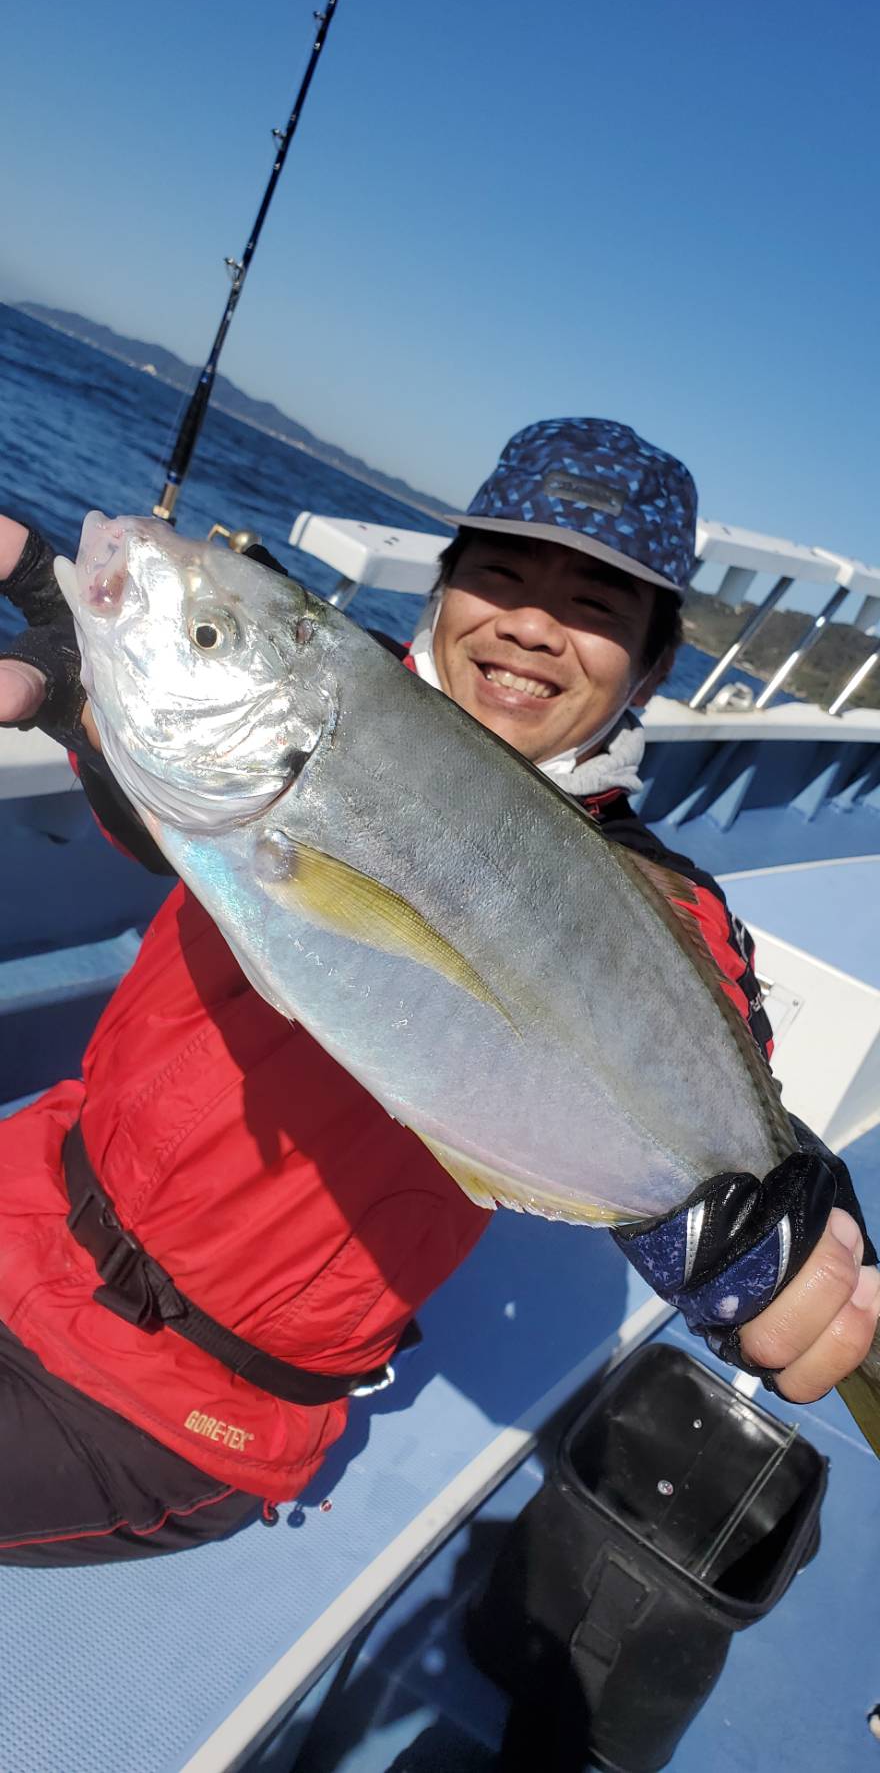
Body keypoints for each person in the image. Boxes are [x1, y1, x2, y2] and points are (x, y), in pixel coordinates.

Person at [0, 417, 877, 1567]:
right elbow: (201, 815)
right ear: (442, 591)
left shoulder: (668, 909)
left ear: (655, 665)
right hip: (26, 1188)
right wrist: (108, 700)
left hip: (181, 1398)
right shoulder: (318, 709)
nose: (531, 624)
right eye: (501, 576)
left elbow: (715, 1090)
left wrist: (783, 1234)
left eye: (594, 604)